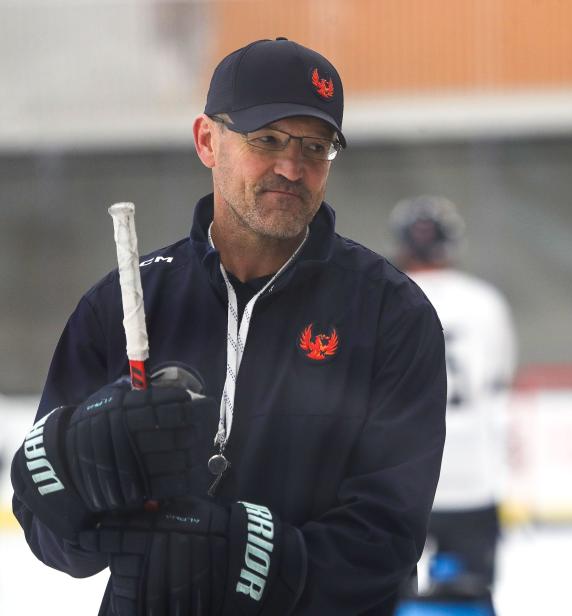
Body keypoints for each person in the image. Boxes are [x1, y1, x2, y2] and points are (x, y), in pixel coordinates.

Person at [10, 37, 446, 615]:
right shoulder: (124, 303)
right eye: (266, 140)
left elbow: (387, 541)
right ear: (208, 142)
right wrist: (77, 476)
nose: (292, 167)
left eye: (315, 147)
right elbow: (52, 537)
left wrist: (241, 557)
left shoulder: (392, 314)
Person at [389, 195, 517, 598]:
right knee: (469, 599)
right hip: (472, 476)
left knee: (390, 596)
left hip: (399, 479)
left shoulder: (384, 296)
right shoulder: (484, 301)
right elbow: (499, 377)